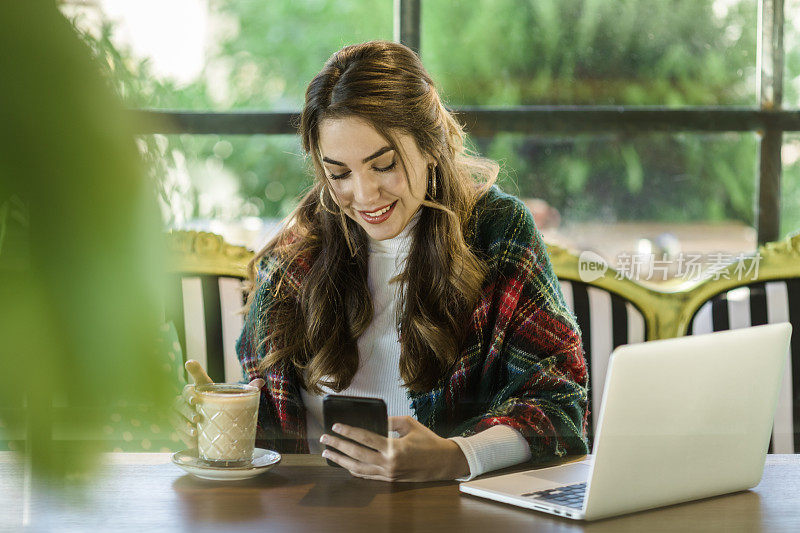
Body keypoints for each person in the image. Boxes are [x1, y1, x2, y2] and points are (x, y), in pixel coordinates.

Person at [174, 40, 588, 482]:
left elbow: (559, 403)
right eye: (339, 174)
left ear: (431, 145)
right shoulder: (296, 257)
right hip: (304, 517)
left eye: (384, 165)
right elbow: (270, 424)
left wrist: (456, 456)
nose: (365, 195)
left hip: (449, 516)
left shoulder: (496, 233)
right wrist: (213, 417)